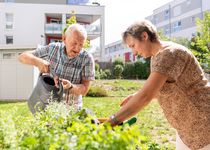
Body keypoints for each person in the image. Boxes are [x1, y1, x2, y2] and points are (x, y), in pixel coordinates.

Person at [108, 20, 210, 150]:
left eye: (133, 45)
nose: (133, 52)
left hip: (203, 124)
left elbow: (146, 96)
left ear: (145, 36)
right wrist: (136, 96)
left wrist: (112, 122)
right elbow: (167, 88)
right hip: (187, 128)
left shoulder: (169, 54)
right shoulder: (156, 57)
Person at [18, 23, 95, 110]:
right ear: (64, 39)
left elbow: (85, 89)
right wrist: (38, 62)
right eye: (74, 43)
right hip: (47, 108)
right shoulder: (53, 49)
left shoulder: (87, 59)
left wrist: (71, 87)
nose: (77, 49)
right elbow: (22, 57)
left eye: (81, 45)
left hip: (72, 110)